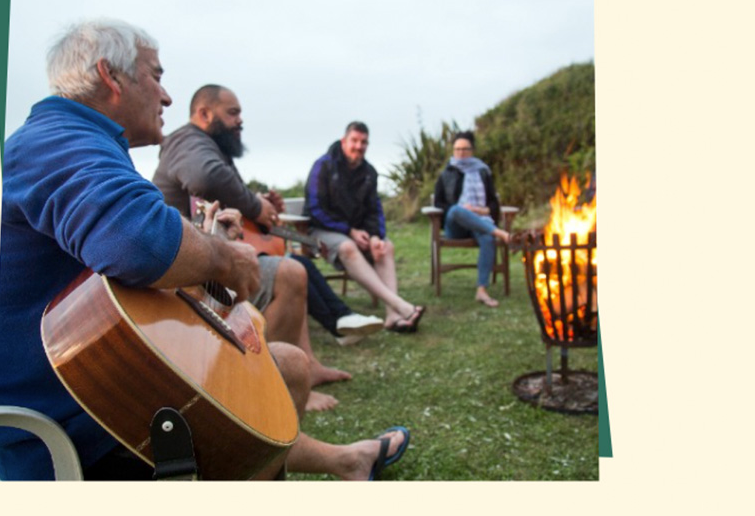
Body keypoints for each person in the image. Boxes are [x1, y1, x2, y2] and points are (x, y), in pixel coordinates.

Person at [0, 19, 409, 481]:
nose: (167, 96)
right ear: (111, 76)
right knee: (286, 368)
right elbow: (137, 242)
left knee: (288, 362)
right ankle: (334, 463)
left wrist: (204, 238)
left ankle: (347, 460)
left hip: (95, 388)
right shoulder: (59, 142)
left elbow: (114, 249)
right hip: (77, 420)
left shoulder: (68, 141)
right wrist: (226, 259)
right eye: (156, 75)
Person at [152, 86, 383, 392]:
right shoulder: (187, 140)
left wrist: (259, 201)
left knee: (292, 266)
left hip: (205, 261)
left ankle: (308, 367)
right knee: (290, 272)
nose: (240, 121)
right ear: (204, 114)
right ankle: (275, 384)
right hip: (189, 274)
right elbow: (206, 177)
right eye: (232, 113)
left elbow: (220, 192)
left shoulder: (206, 145)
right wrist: (256, 206)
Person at [305, 122, 425, 333]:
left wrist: (375, 237)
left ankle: (392, 316)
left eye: (364, 142)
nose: (359, 146)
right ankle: (400, 305)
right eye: (355, 141)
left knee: (386, 247)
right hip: (321, 231)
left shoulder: (369, 172)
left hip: (356, 232)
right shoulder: (323, 166)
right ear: (344, 141)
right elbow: (315, 210)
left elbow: (374, 210)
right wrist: (348, 230)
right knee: (348, 247)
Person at [432, 131, 510, 307]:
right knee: (456, 210)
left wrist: (480, 209)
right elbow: (439, 202)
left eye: (464, 149)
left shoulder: (483, 172)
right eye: (457, 149)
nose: (460, 153)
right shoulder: (447, 173)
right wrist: (463, 210)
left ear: (472, 150)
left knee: (487, 238)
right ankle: (501, 233)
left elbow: (493, 202)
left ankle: (481, 290)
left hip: (480, 221)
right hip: (456, 226)